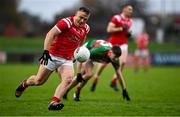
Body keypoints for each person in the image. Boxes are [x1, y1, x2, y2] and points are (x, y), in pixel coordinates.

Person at [15, 7, 91, 111]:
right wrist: (46, 52)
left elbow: (82, 40)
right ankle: (25, 84)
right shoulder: (66, 22)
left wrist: (77, 53)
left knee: (68, 80)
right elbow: (50, 34)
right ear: (75, 14)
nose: (82, 20)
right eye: (80, 17)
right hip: (53, 55)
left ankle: (54, 102)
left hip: (67, 59)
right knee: (39, 81)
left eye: (85, 19)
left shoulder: (86, 28)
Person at [63, 39, 130, 101]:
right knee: (85, 74)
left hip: (93, 57)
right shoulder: (99, 50)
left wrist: (124, 89)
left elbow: (119, 74)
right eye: (115, 57)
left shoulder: (114, 58)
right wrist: (78, 73)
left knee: (87, 75)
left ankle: (74, 91)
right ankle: (67, 91)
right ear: (110, 52)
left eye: (117, 58)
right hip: (87, 50)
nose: (115, 59)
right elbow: (81, 56)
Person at [90, 4, 133, 92]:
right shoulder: (117, 18)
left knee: (123, 62)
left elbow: (126, 32)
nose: (131, 11)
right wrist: (120, 29)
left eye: (131, 10)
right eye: (129, 9)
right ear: (124, 9)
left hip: (123, 43)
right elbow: (109, 29)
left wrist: (128, 34)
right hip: (113, 43)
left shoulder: (130, 21)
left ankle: (114, 81)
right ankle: (96, 78)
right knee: (103, 64)